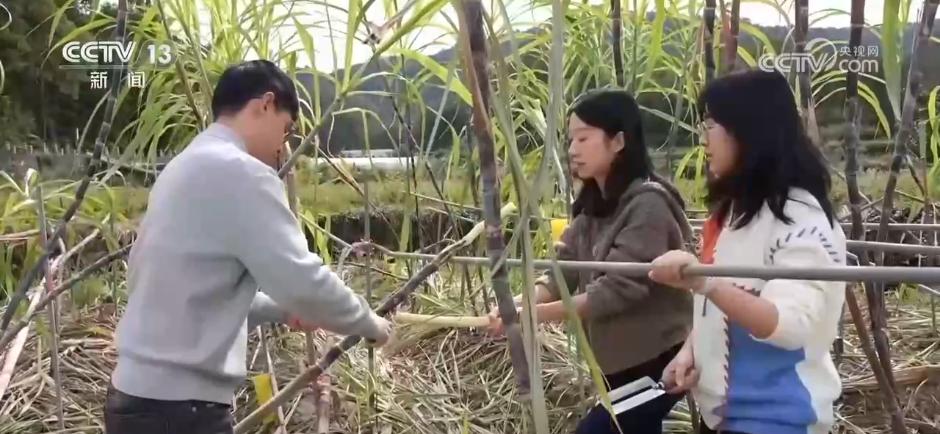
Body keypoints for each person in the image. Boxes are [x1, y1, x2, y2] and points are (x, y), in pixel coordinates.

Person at [105, 60, 392, 434]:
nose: (282, 147)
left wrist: (282, 310)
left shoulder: (183, 168)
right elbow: (300, 279)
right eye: (286, 129)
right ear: (265, 105)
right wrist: (370, 324)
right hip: (179, 411)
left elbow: (198, 294)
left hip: (134, 401)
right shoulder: (242, 172)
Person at [649, 69, 847, 434]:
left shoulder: (800, 221)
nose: (704, 138)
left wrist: (703, 282)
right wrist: (691, 351)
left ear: (748, 131)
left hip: (778, 420)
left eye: (711, 125)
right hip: (723, 417)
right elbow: (718, 305)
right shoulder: (734, 213)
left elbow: (790, 326)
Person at [488, 88, 695, 434]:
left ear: (618, 142)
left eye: (583, 138)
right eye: (571, 140)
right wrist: (520, 303)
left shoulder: (648, 206)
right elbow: (563, 272)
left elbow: (614, 292)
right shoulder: (593, 206)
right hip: (616, 364)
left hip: (657, 362)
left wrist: (530, 316)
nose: (572, 150)